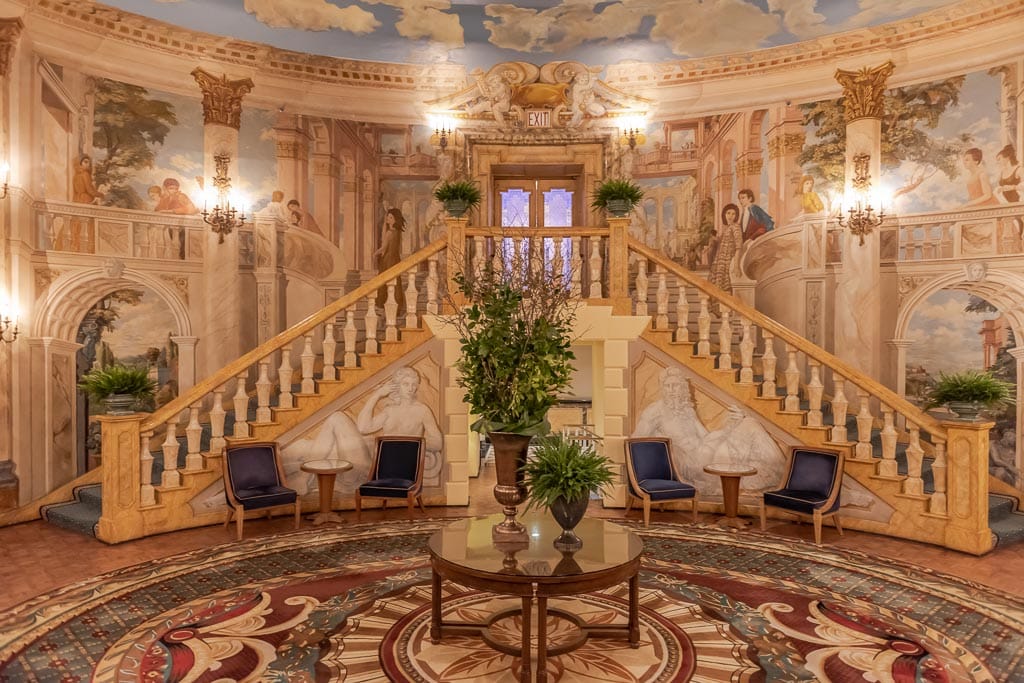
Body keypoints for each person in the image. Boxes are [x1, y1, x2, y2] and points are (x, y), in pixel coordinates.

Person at [357, 367, 444, 487]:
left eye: (414, 385)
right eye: (406, 384)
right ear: (397, 386)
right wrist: (377, 395)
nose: (410, 389)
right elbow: (363, 428)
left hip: (408, 466)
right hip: (387, 464)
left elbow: (438, 443)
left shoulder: (422, 410)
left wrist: (408, 443)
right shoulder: (389, 410)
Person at [633, 367, 708, 483]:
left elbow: (705, 436)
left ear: (682, 387)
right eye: (667, 386)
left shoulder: (688, 410)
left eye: (675, 385)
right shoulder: (655, 411)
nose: (671, 390)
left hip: (697, 456)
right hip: (676, 460)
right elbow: (637, 441)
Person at [374, 207, 406, 312]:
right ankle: (397, 306)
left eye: (391, 217)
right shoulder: (398, 232)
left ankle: (382, 305)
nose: (388, 219)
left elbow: (384, 248)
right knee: (395, 282)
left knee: (384, 282)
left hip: (387, 260)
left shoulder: (390, 233)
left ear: (395, 219)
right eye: (388, 217)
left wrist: (375, 253)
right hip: (395, 259)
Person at [708, 203, 742, 294]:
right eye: (728, 213)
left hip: (728, 261)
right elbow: (721, 242)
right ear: (724, 214)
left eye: (733, 214)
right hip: (720, 261)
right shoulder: (727, 228)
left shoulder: (736, 227)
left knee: (725, 287)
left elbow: (739, 246)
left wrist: (736, 265)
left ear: (736, 216)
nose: (730, 216)